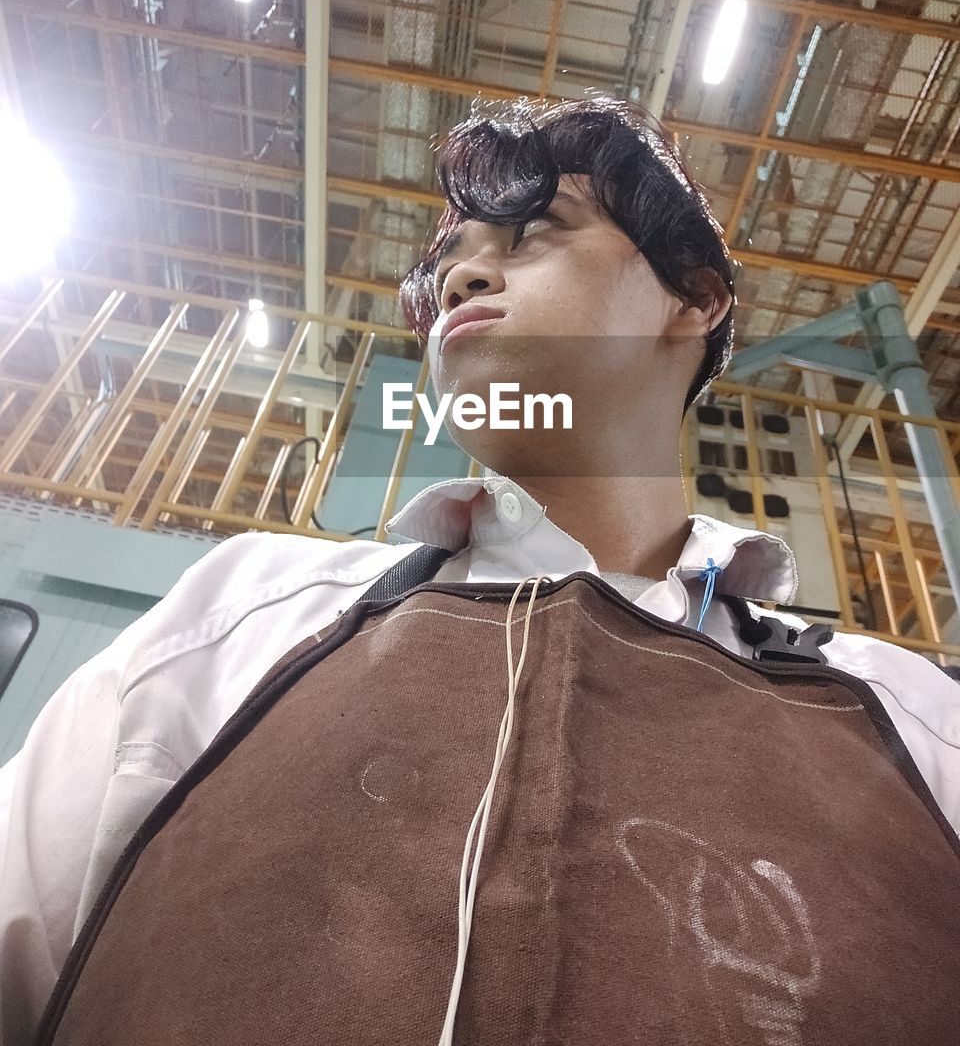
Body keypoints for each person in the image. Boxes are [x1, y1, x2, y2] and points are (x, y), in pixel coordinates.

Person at [1, 96, 958, 1046]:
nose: (461, 279)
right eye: (449, 263)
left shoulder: (913, 722)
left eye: (535, 233)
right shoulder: (240, 617)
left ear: (694, 298)